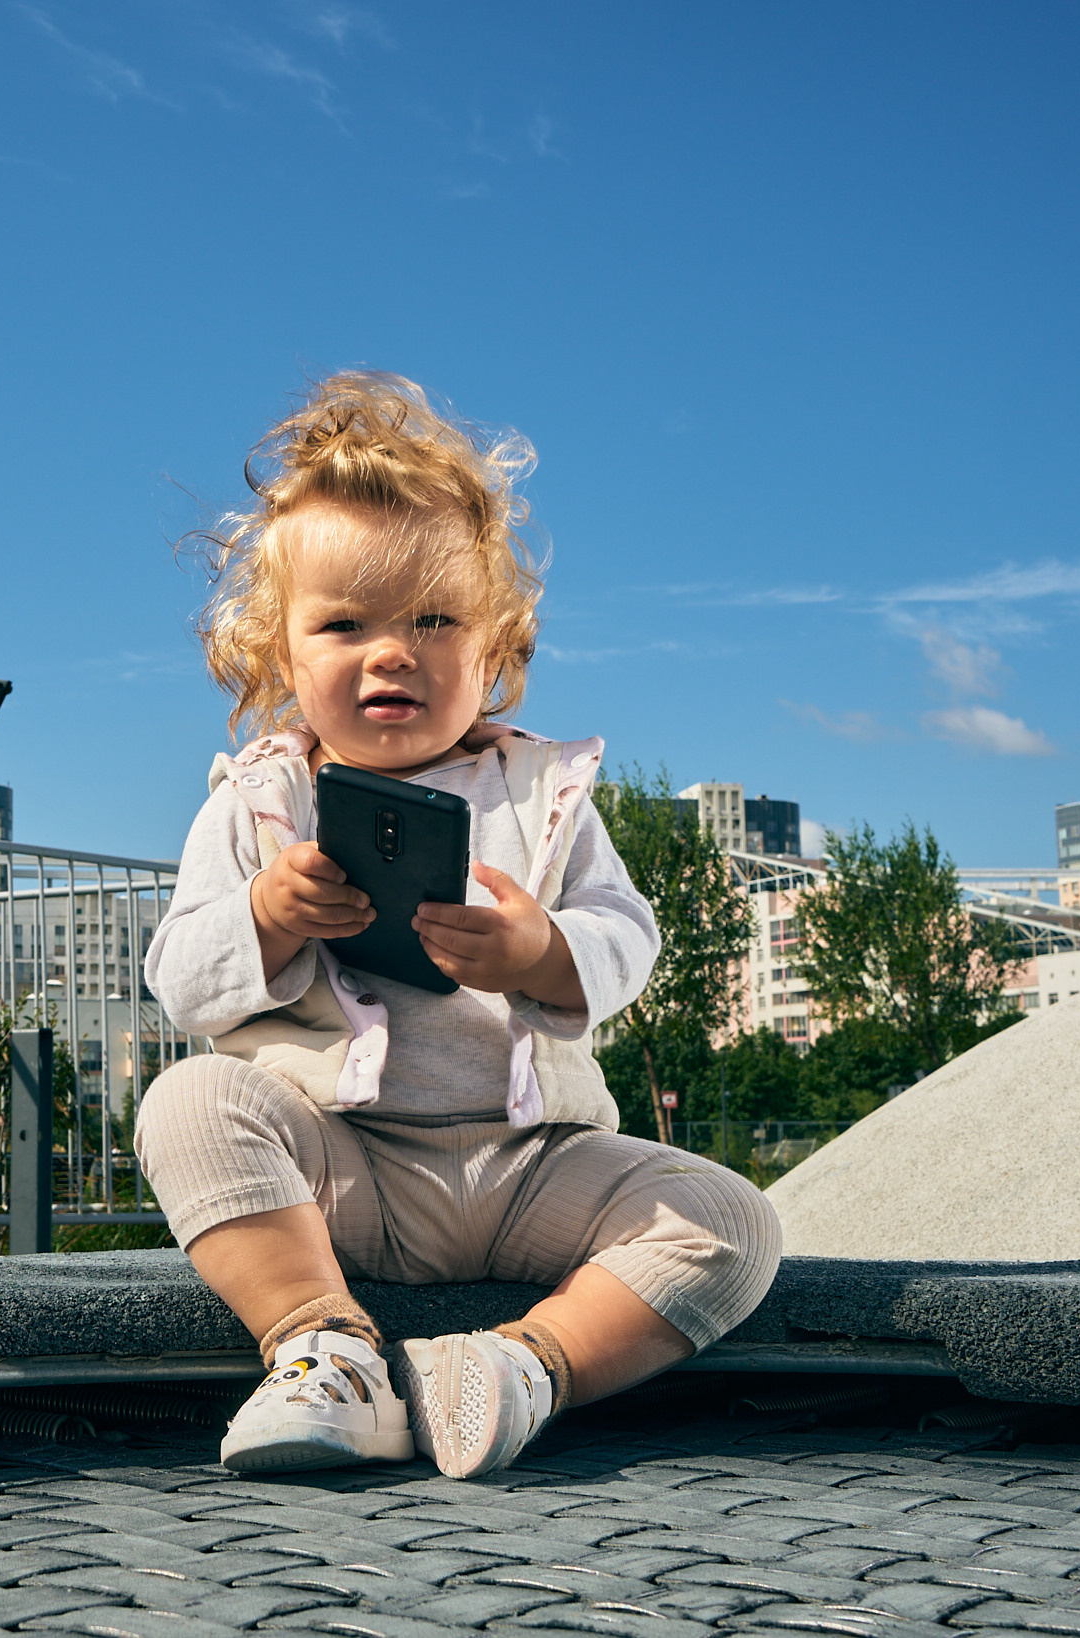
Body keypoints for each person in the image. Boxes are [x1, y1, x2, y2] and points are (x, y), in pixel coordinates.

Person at [135, 372, 780, 1479]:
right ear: (280, 660)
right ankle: (321, 1350)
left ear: (496, 654)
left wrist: (544, 951)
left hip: (530, 1164)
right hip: (345, 1163)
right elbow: (181, 981)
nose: (392, 652)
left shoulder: (541, 795)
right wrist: (266, 916)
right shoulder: (256, 801)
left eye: (434, 620)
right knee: (188, 1102)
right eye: (344, 625)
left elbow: (627, 934)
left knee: (730, 1218)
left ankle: (519, 1365)